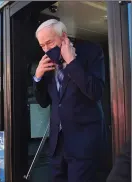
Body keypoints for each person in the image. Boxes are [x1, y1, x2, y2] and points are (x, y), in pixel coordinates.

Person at [33, 19, 106, 182]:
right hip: (57, 147)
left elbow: (96, 92)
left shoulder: (91, 52)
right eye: (42, 46)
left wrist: (72, 62)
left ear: (63, 36)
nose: (46, 50)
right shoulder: (48, 63)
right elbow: (44, 102)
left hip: (83, 145)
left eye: (49, 43)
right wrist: (38, 77)